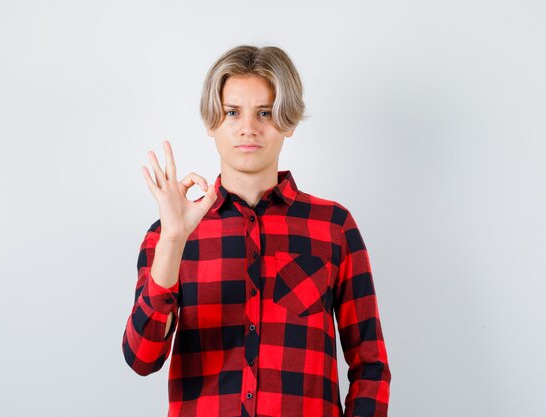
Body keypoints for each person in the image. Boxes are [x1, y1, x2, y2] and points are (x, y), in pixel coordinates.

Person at [122, 44, 391, 417]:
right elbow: (142, 359)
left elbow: (370, 365)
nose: (248, 127)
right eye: (232, 112)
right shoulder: (169, 234)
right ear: (212, 122)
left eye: (264, 112)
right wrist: (173, 240)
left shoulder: (333, 227)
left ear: (289, 122)